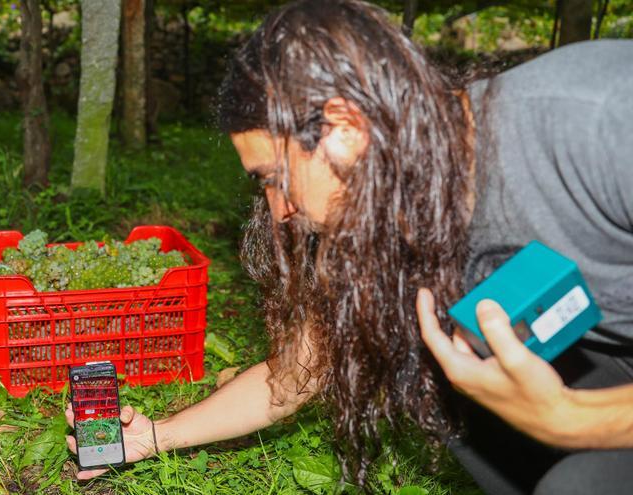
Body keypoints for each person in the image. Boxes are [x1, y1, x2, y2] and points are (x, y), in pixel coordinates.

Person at [65, 1, 633, 492]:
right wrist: (152, 438)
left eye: (273, 179)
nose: (278, 211)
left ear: (344, 128)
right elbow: (296, 374)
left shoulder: (598, 119)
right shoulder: (383, 209)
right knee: (438, 367)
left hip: (595, 401)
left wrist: (569, 420)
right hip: (605, 362)